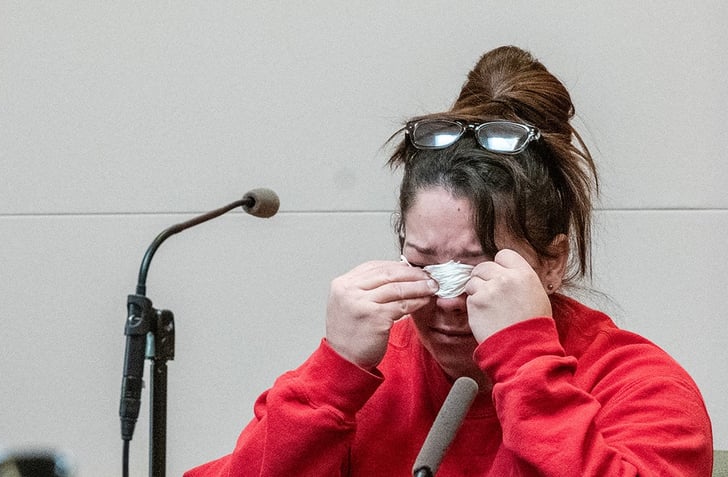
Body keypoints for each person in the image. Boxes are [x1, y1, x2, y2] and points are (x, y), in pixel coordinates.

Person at [185, 46, 713, 476]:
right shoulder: (376, 375)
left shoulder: (641, 387)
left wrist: (526, 364)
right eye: (423, 262)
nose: (447, 298)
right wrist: (331, 375)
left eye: (478, 266)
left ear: (552, 262)